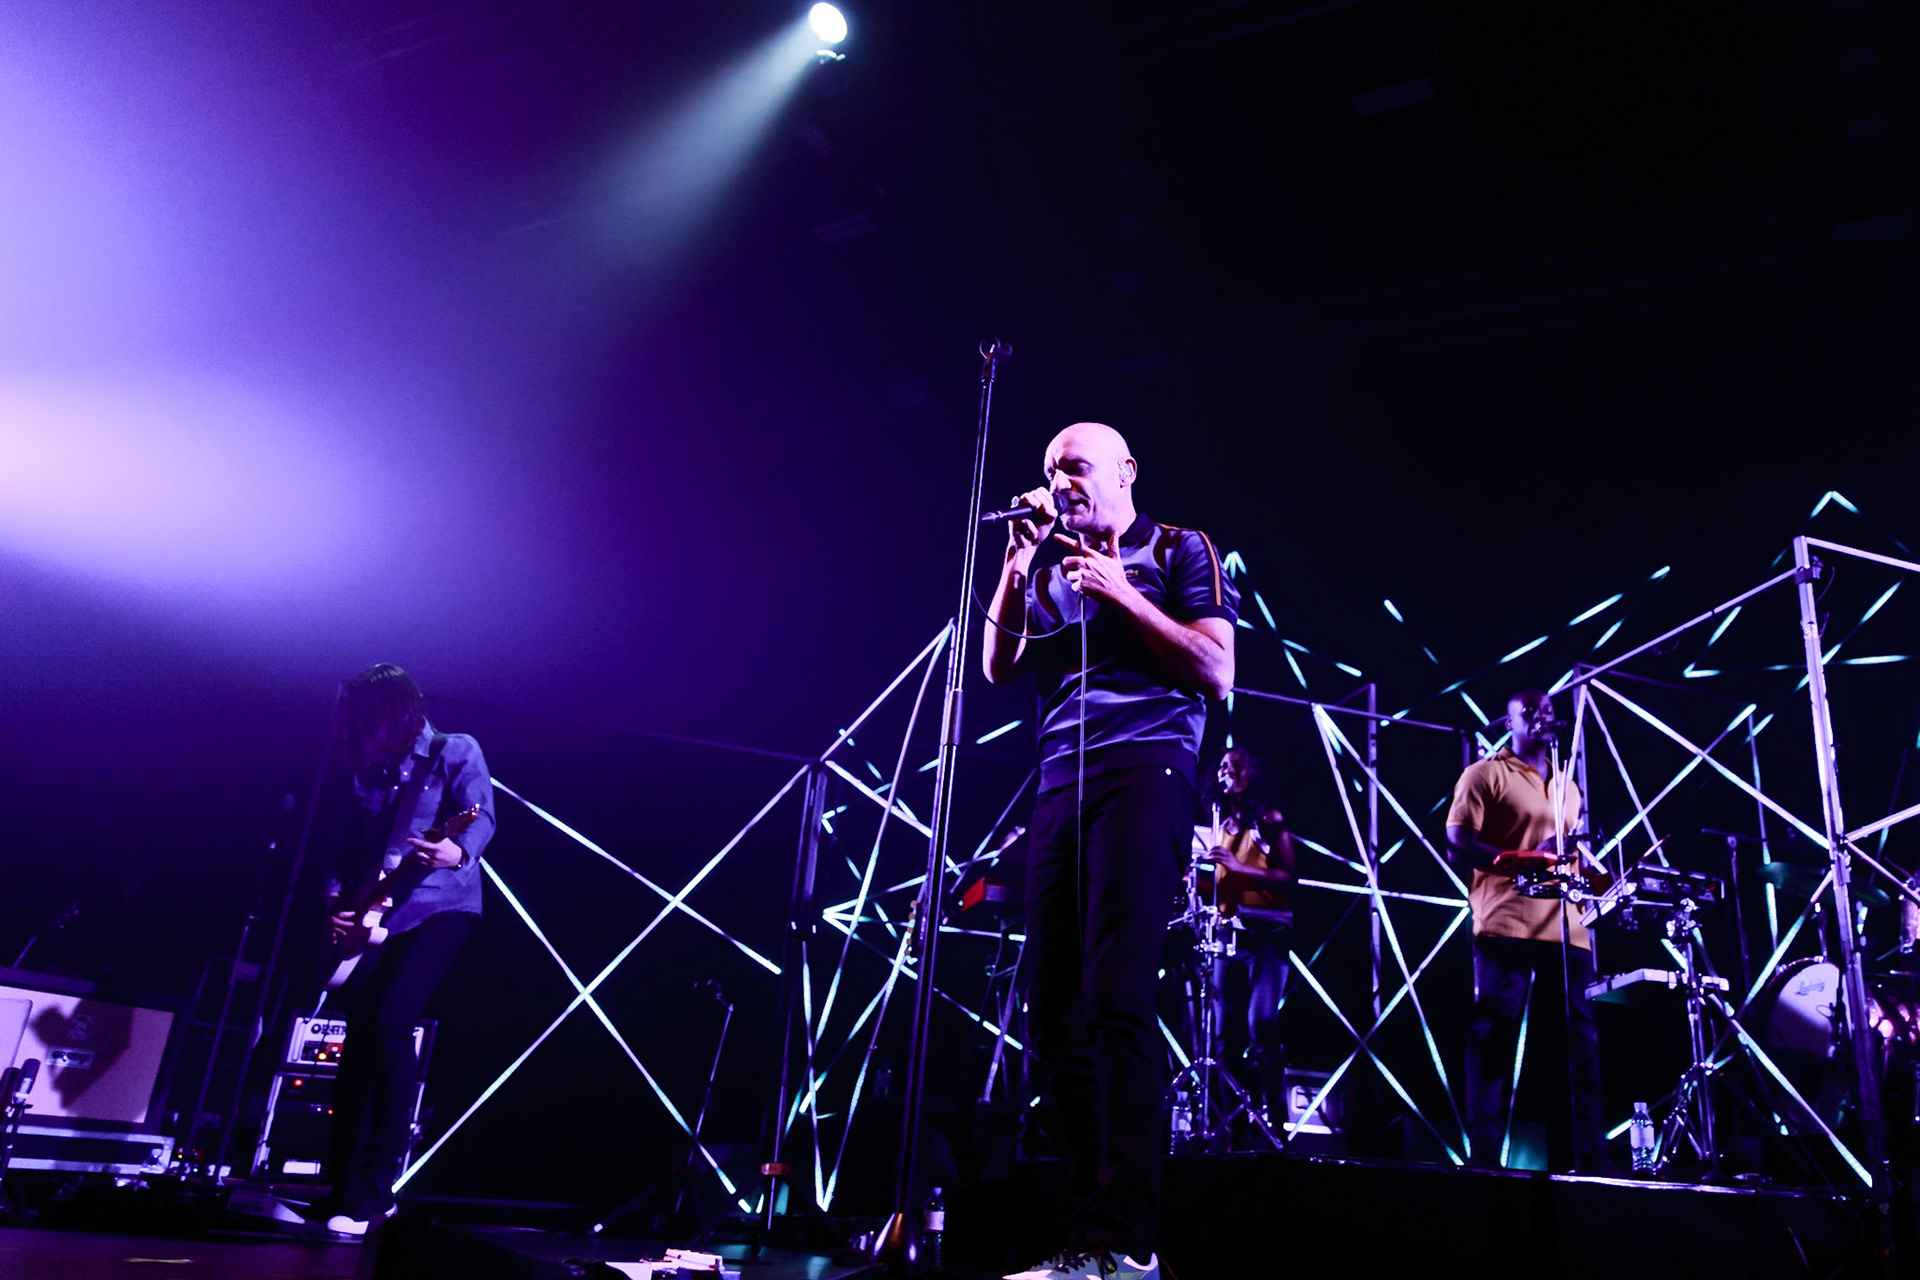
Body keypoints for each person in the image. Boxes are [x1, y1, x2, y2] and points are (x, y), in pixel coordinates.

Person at [984, 422, 1237, 1280]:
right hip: (1062, 777)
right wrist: (1018, 563)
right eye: (1053, 473)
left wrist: (1123, 593)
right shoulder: (1050, 569)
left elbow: (1216, 670)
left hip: (1149, 769)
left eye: (1078, 469)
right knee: (1051, 1011)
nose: (1063, 485)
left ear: (1125, 471)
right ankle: (1088, 1235)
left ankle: (1129, 1240)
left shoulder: (1179, 549)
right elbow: (998, 666)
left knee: (1117, 998)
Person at [321, 664, 495, 1237]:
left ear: (390, 713)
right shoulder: (365, 772)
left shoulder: (453, 750)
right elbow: (347, 848)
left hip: (443, 906)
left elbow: (481, 816)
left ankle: (376, 1187)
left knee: (393, 1018)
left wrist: (456, 851)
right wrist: (338, 904)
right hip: (378, 917)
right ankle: (347, 1190)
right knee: (359, 1037)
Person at [1443, 687, 1602, 1171]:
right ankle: (1485, 1153)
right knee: (1492, 1033)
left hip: (1567, 928)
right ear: (1508, 721)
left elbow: (1567, 853)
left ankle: (1587, 1152)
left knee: (1580, 1042)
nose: (1541, 716)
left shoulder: (1568, 787)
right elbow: (1457, 843)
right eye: (1528, 711)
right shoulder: (1485, 774)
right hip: (1507, 922)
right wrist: (1514, 859)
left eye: (1548, 710)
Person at [1199, 747, 1296, 1126]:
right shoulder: (1219, 825)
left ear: (1249, 772)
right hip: (1228, 937)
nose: (1225, 771)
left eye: (1233, 765)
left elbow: (1290, 875)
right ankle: (1232, 1128)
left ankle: (1275, 1125)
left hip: (1266, 937)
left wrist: (1239, 867)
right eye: (1221, 765)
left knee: (1262, 1026)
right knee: (1223, 1038)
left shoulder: (1268, 819)